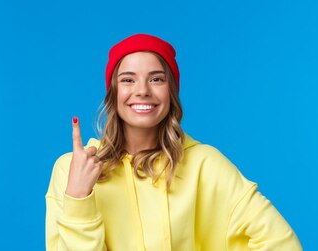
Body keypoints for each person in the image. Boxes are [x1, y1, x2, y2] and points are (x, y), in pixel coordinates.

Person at [45, 34, 301, 250]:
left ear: (172, 92)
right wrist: (79, 198)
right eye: (128, 79)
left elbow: (281, 242)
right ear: (113, 93)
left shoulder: (205, 164)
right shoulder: (70, 170)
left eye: (156, 79)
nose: (142, 90)